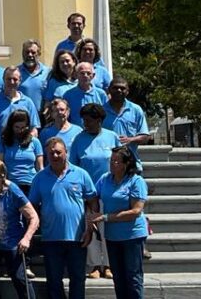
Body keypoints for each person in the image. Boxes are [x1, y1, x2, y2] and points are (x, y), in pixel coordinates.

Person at [29, 138, 99, 299]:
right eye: (51, 152)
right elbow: (32, 206)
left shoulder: (81, 174)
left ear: (66, 153)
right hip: (51, 238)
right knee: (54, 281)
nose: (54, 155)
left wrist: (89, 228)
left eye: (58, 152)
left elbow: (93, 202)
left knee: (78, 279)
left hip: (77, 237)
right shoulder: (40, 177)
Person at [69, 103, 121, 280]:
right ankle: (93, 265)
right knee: (90, 227)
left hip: (109, 190)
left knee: (107, 229)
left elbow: (121, 161)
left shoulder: (112, 137)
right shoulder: (78, 139)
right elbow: (73, 166)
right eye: (83, 120)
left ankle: (108, 264)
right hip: (87, 193)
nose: (85, 123)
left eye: (89, 120)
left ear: (99, 120)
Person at [90, 146, 149, 299]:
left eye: (116, 161)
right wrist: (93, 210)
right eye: (111, 160)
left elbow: (136, 211)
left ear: (126, 164)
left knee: (133, 277)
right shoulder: (105, 179)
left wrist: (106, 217)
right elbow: (93, 196)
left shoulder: (136, 181)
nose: (112, 164)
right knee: (118, 278)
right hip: (112, 237)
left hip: (132, 236)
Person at [0, 160, 39, 299]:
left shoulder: (13, 191)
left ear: (2, 176)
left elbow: (34, 217)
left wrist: (26, 238)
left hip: (12, 243)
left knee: (20, 280)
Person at [0, 66, 41, 148]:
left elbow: (34, 129)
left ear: (20, 81)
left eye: (15, 79)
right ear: (3, 79)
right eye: (8, 79)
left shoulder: (28, 102)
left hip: (22, 151)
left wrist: (25, 147)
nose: (12, 82)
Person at [104, 76, 151, 167]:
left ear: (127, 91)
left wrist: (130, 139)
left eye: (122, 88)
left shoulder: (136, 110)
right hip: (107, 164)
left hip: (130, 163)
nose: (119, 90)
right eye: (115, 87)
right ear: (109, 90)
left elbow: (145, 137)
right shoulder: (102, 111)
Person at [0, 110, 44, 194]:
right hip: (11, 184)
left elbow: (40, 167)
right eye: (17, 127)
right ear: (11, 126)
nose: (20, 131)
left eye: (23, 127)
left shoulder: (35, 142)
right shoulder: (2, 141)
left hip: (31, 184)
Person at [17, 40, 51, 113]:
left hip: (42, 117)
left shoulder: (48, 72)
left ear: (39, 54)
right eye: (27, 52)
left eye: (33, 52)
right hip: (22, 118)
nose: (30, 55)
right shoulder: (16, 72)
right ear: (22, 54)